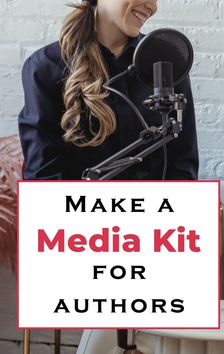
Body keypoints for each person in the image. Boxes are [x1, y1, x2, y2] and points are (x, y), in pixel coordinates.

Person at [18, 0, 198, 352]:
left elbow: (183, 162)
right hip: (81, 243)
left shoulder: (167, 63)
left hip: (156, 241)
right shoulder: (46, 67)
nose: (152, 5)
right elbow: (44, 174)